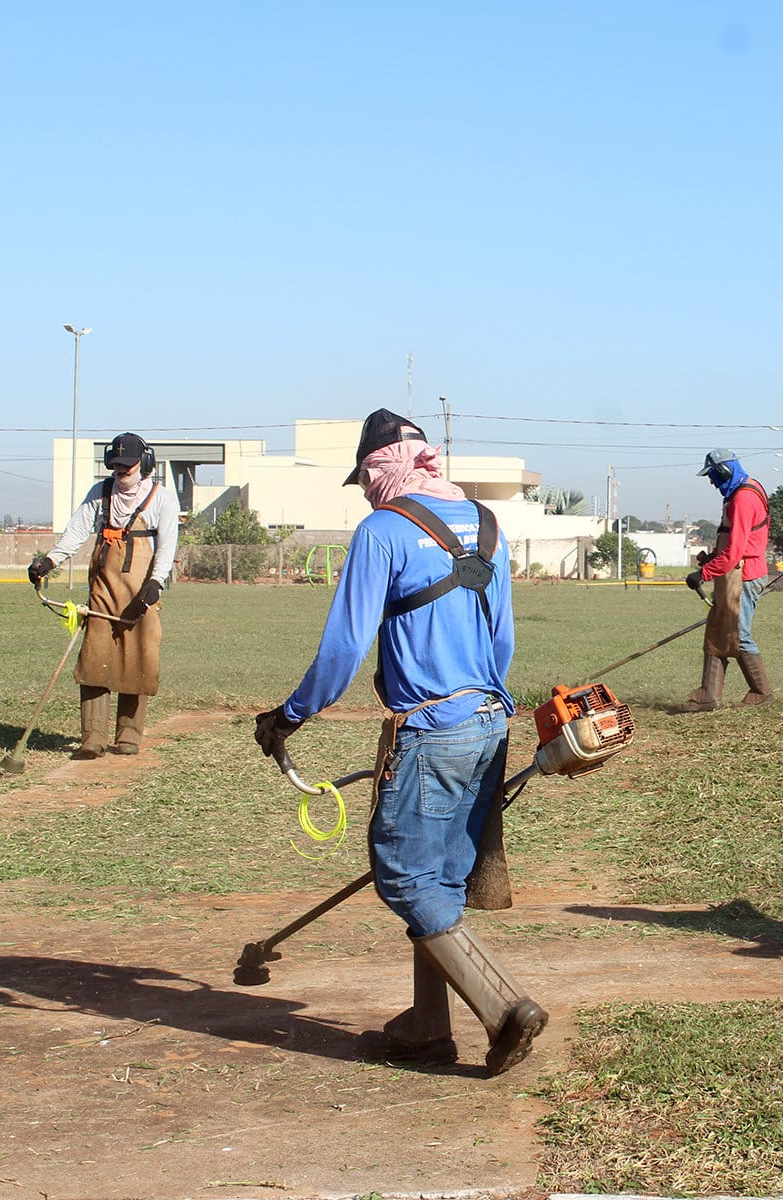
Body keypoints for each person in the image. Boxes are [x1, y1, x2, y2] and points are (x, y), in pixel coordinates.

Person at [252, 408, 545, 1077]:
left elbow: (345, 646)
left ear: (381, 467)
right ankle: (426, 1028)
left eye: (363, 478)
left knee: (404, 875)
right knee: (440, 879)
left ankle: (504, 1008)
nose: (363, 491)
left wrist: (289, 717)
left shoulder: (381, 531)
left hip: (433, 730)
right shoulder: (488, 525)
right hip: (489, 720)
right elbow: (502, 639)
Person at [29, 432, 178, 758]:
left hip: (141, 593)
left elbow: (167, 546)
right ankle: (92, 739)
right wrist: (49, 562)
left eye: (128, 465)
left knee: (138, 659)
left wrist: (156, 584)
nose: (121, 471)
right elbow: (76, 532)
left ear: (145, 463)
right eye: (116, 465)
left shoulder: (162, 499)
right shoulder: (101, 493)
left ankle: (128, 736)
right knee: (95, 659)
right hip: (103, 591)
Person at [668, 449, 774, 712]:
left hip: (743, 575)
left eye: (713, 475)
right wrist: (712, 558)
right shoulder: (746, 489)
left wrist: (703, 574)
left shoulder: (743, 499)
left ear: (724, 471)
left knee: (739, 635)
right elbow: (735, 541)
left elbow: (735, 551)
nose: (711, 481)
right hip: (738, 572)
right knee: (718, 629)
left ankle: (761, 691)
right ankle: (708, 695)